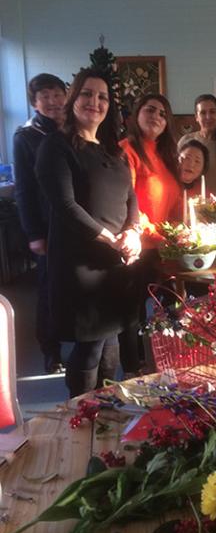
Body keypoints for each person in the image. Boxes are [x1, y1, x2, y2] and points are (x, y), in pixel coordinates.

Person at [36, 68, 142, 397]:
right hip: (80, 264)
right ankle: (81, 414)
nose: (94, 102)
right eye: (87, 93)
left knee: (111, 346)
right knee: (90, 347)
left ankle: (105, 414)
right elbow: (66, 206)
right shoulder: (56, 146)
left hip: (114, 265)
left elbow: (131, 198)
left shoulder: (114, 151)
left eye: (102, 97)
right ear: (73, 98)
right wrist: (112, 240)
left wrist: (134, 232)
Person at [13, 73, 67, 374]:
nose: (52, 101)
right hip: (46, 227)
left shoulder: (73, 129)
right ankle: (51, 350)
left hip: (75, 226)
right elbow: (23, 189)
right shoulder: (26, 137)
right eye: (44, 96)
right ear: (35, 103)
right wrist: (34, 233)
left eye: (56, 94)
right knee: (49, 289)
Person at [120, 93, 180, 241]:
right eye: (150, 110)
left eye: (162, 114)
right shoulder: (125, 150)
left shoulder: (167, 155)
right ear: (137, 114)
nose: (156, 116)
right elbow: (125, 203)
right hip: (137, 244)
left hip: (166, 242)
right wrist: (155, 236)